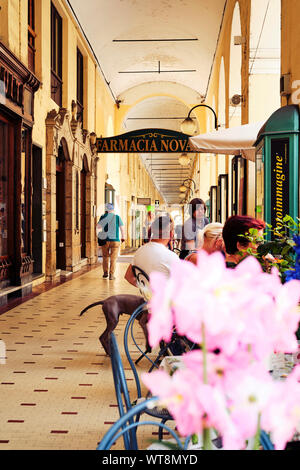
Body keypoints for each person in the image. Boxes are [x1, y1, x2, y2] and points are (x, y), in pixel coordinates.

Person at [124, 215, 179, 288]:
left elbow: (128, 276)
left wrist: (146, 290)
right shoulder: (171, 257)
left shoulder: (140, 251)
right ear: (171, 234)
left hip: (147, 298)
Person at [97, 203, 125, 280]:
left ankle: (105, 273)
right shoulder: (117, 217)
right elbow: (122, 229)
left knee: (105, 257)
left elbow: (98, 227)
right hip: (115, 240)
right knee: (113, 258)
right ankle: (111, 275)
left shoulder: (103, 217)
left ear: (106, 209)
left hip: (105, 240)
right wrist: (123, 237)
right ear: (113, 209)